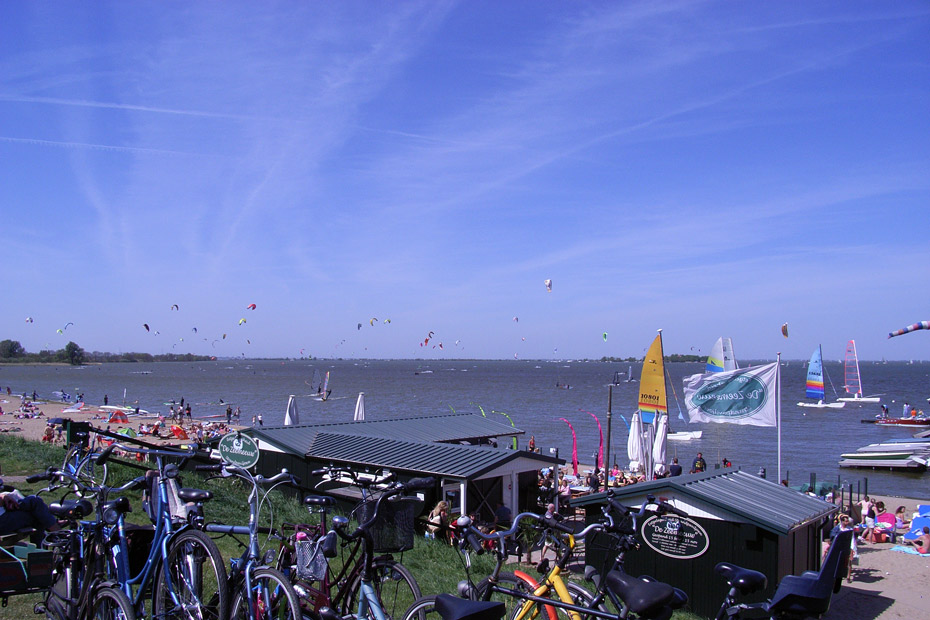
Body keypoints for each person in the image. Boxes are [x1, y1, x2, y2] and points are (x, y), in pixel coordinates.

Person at [829, 514, 858, 583]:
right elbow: (832, 537)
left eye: (847, 521)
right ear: (842, 522)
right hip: (839, 547)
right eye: (845, 521)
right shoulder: (837, 529)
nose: (847, 522)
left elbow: (852, 540)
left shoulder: (849, 529)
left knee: (848, 562)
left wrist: (853, 548)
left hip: (847, 547)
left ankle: (848, 577)